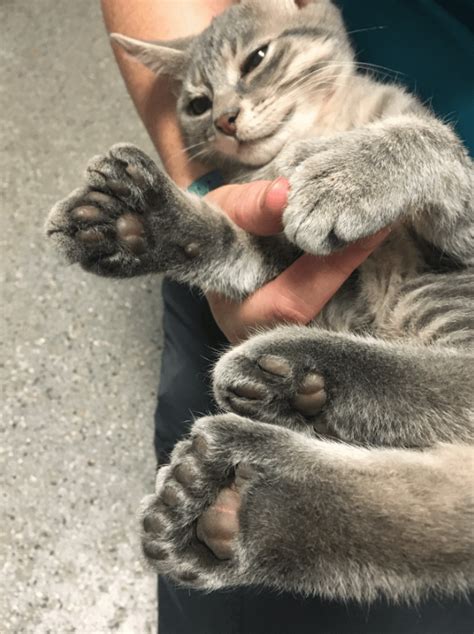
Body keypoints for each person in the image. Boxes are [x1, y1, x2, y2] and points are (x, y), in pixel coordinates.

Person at [101, 1, 474, 632]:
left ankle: (304, 509)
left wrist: (411, 156)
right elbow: (249, 259)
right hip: (323, 328)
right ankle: (301, 510)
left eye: (254, 62)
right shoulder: (247, 154)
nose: (226, 111)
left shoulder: (382, 113)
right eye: (200, 104)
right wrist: (203, 211)